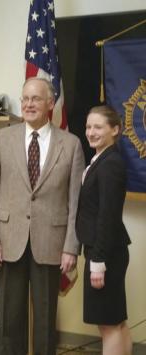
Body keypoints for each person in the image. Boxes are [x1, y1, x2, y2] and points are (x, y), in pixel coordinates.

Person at [0, 77, 85, 355]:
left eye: (36, 99)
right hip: (8, 241)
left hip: (51, 243)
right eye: (25, 98)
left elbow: (76, 203)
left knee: (45, 321)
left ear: (50, 103)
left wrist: (71, 247)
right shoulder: (3, 139)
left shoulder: (71, 144)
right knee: (10, 321)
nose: (28, 104)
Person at [76, 105, 132, 355]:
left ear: (115, 129)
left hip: (104, 254)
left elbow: (107, 216)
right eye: (89, 126)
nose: (91, 132)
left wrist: (97, 260)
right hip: (110, 251)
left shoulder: (110, 163)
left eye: (98, 127)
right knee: (117, 321)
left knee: (109, 326)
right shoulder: (102, 160)